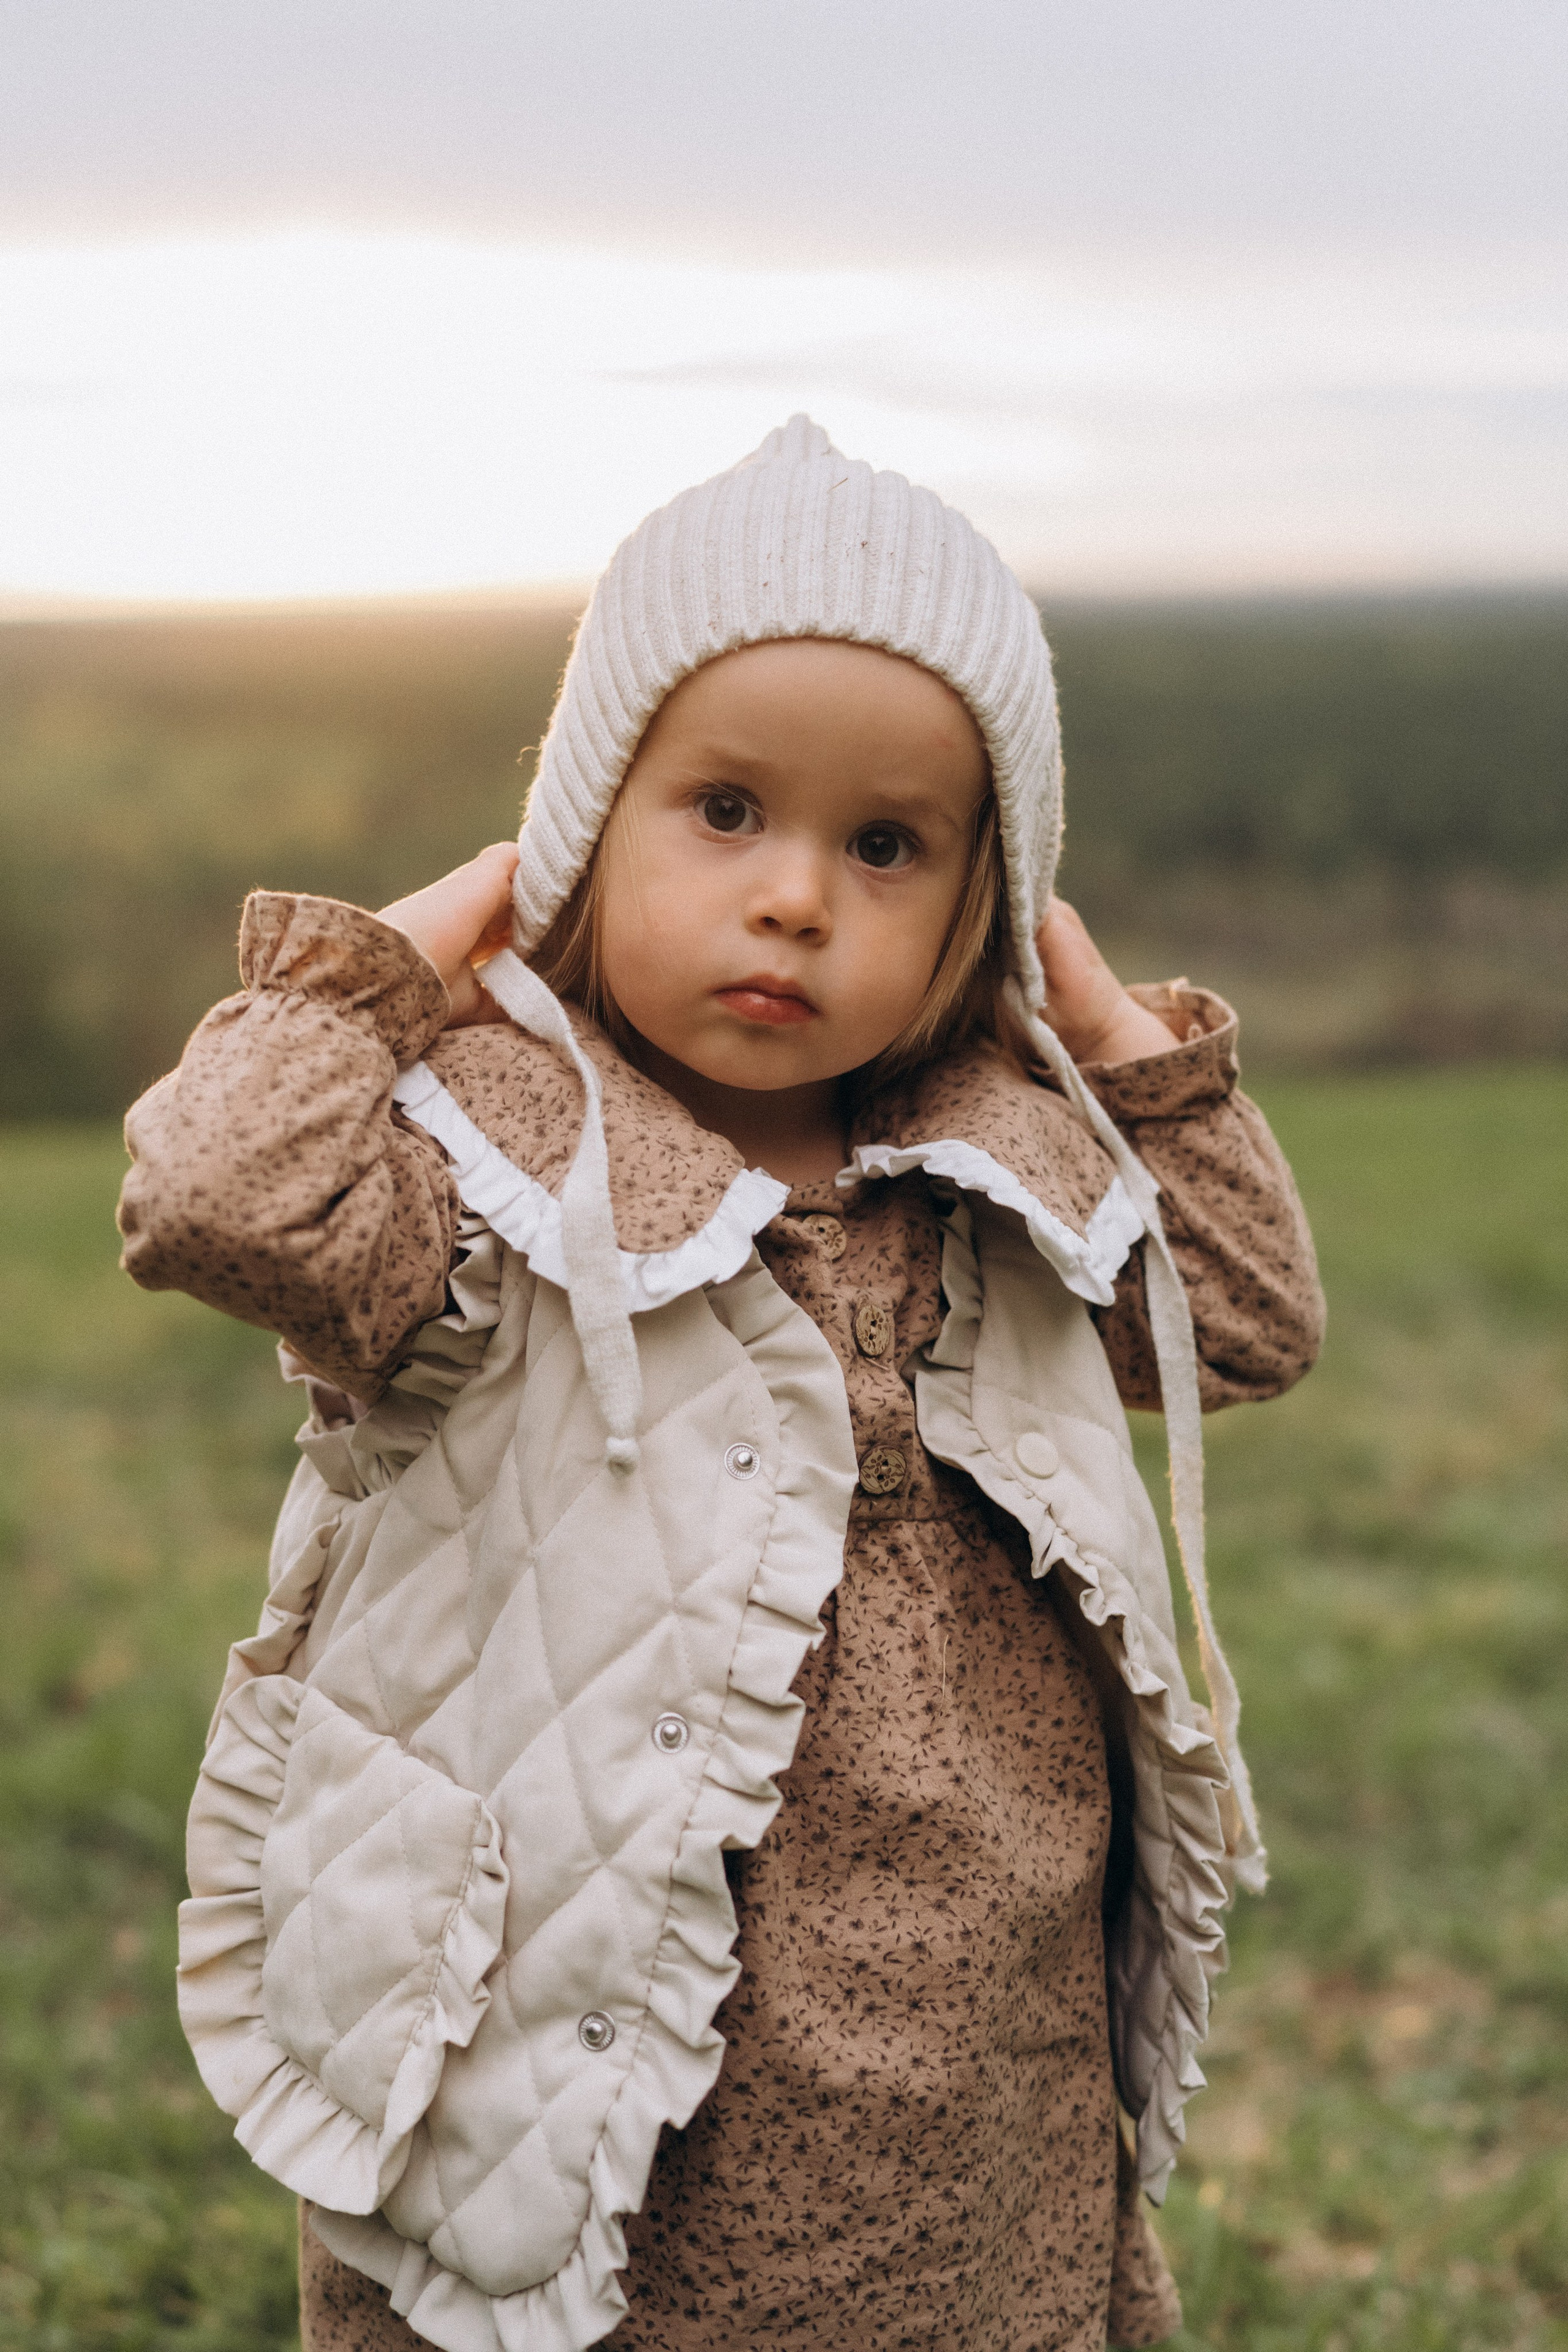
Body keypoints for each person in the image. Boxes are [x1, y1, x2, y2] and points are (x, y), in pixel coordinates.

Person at [118, 417, 1324, 2352]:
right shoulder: (489, 1156)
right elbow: (217, 1203)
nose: (796, 900)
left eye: (887, 846)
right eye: (725, 811)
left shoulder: (996, 1162)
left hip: (962, 2043)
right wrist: (375, 977)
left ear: (978, 909)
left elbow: (1247, 1320)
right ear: (590, 827)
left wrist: (1123, 1055)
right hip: (564, 2014)